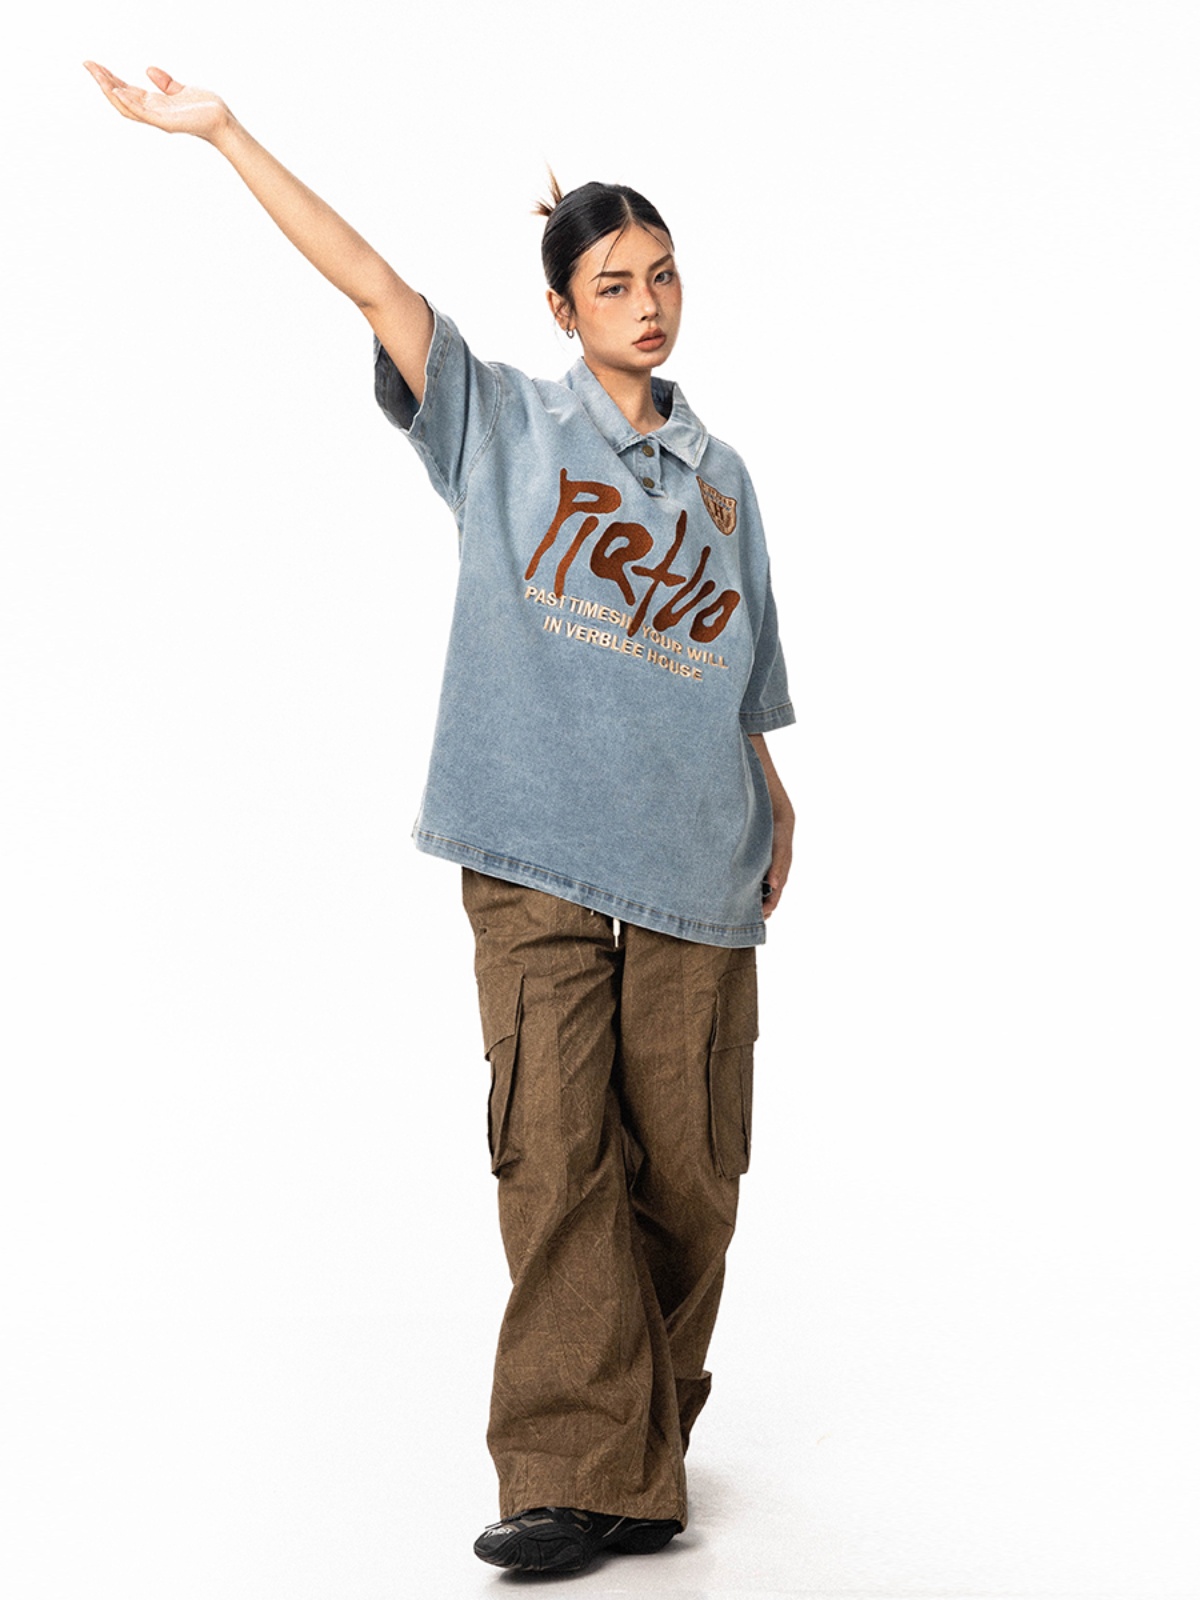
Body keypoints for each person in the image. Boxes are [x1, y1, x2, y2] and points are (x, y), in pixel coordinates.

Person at [84, 60, 797, 1578]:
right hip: (533, 855)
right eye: (615, 285)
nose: (649, 304)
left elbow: (741, 675)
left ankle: (641, 1443)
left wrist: (775, 796)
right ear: (564, 309)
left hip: (699, 862)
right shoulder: (501, 425)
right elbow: (369, 280)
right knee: (558, 1161)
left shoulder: (725, 482)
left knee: (691, 1179)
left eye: (665, 276)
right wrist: (223, 134)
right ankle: (575, 1474)